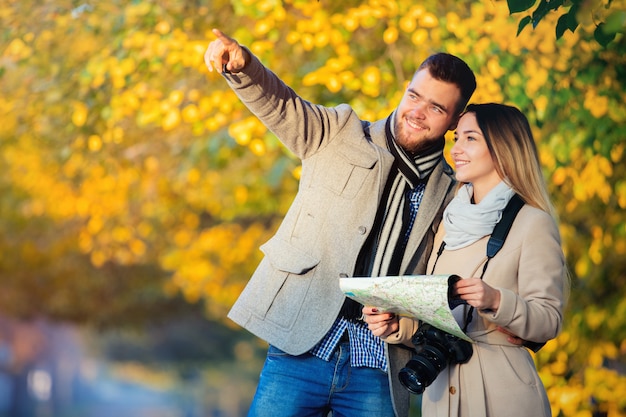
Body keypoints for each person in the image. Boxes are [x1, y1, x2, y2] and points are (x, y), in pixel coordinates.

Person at [204, 27, 477, 417]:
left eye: (436, 108)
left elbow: (443, 279)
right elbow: (282, 105)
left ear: (454, 120)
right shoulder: (339, 131)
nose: (417, 111)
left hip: (381, 364)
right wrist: (244, 67)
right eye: (414, 96)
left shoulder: (450, 191)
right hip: (302, 344)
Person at [363, 103, 568, 417]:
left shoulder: (533, 222)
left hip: (503, 394)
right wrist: (395, 325)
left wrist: (496, 300)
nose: (456, 149)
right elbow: (436, 312)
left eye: (469, 139)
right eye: (456, 138)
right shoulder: (449, 221)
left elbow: (548, 320)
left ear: (503, 148)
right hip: (441, 396)